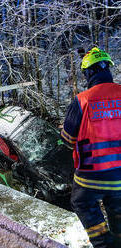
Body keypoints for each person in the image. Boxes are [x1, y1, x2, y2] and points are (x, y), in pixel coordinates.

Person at [61, 47, 121, 248]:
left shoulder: (82, 100)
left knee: (82, 202)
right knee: (117, 206)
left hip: (92, 176)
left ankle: (104, 243)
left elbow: (68, 139)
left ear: (88, 73)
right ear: (108, 70)